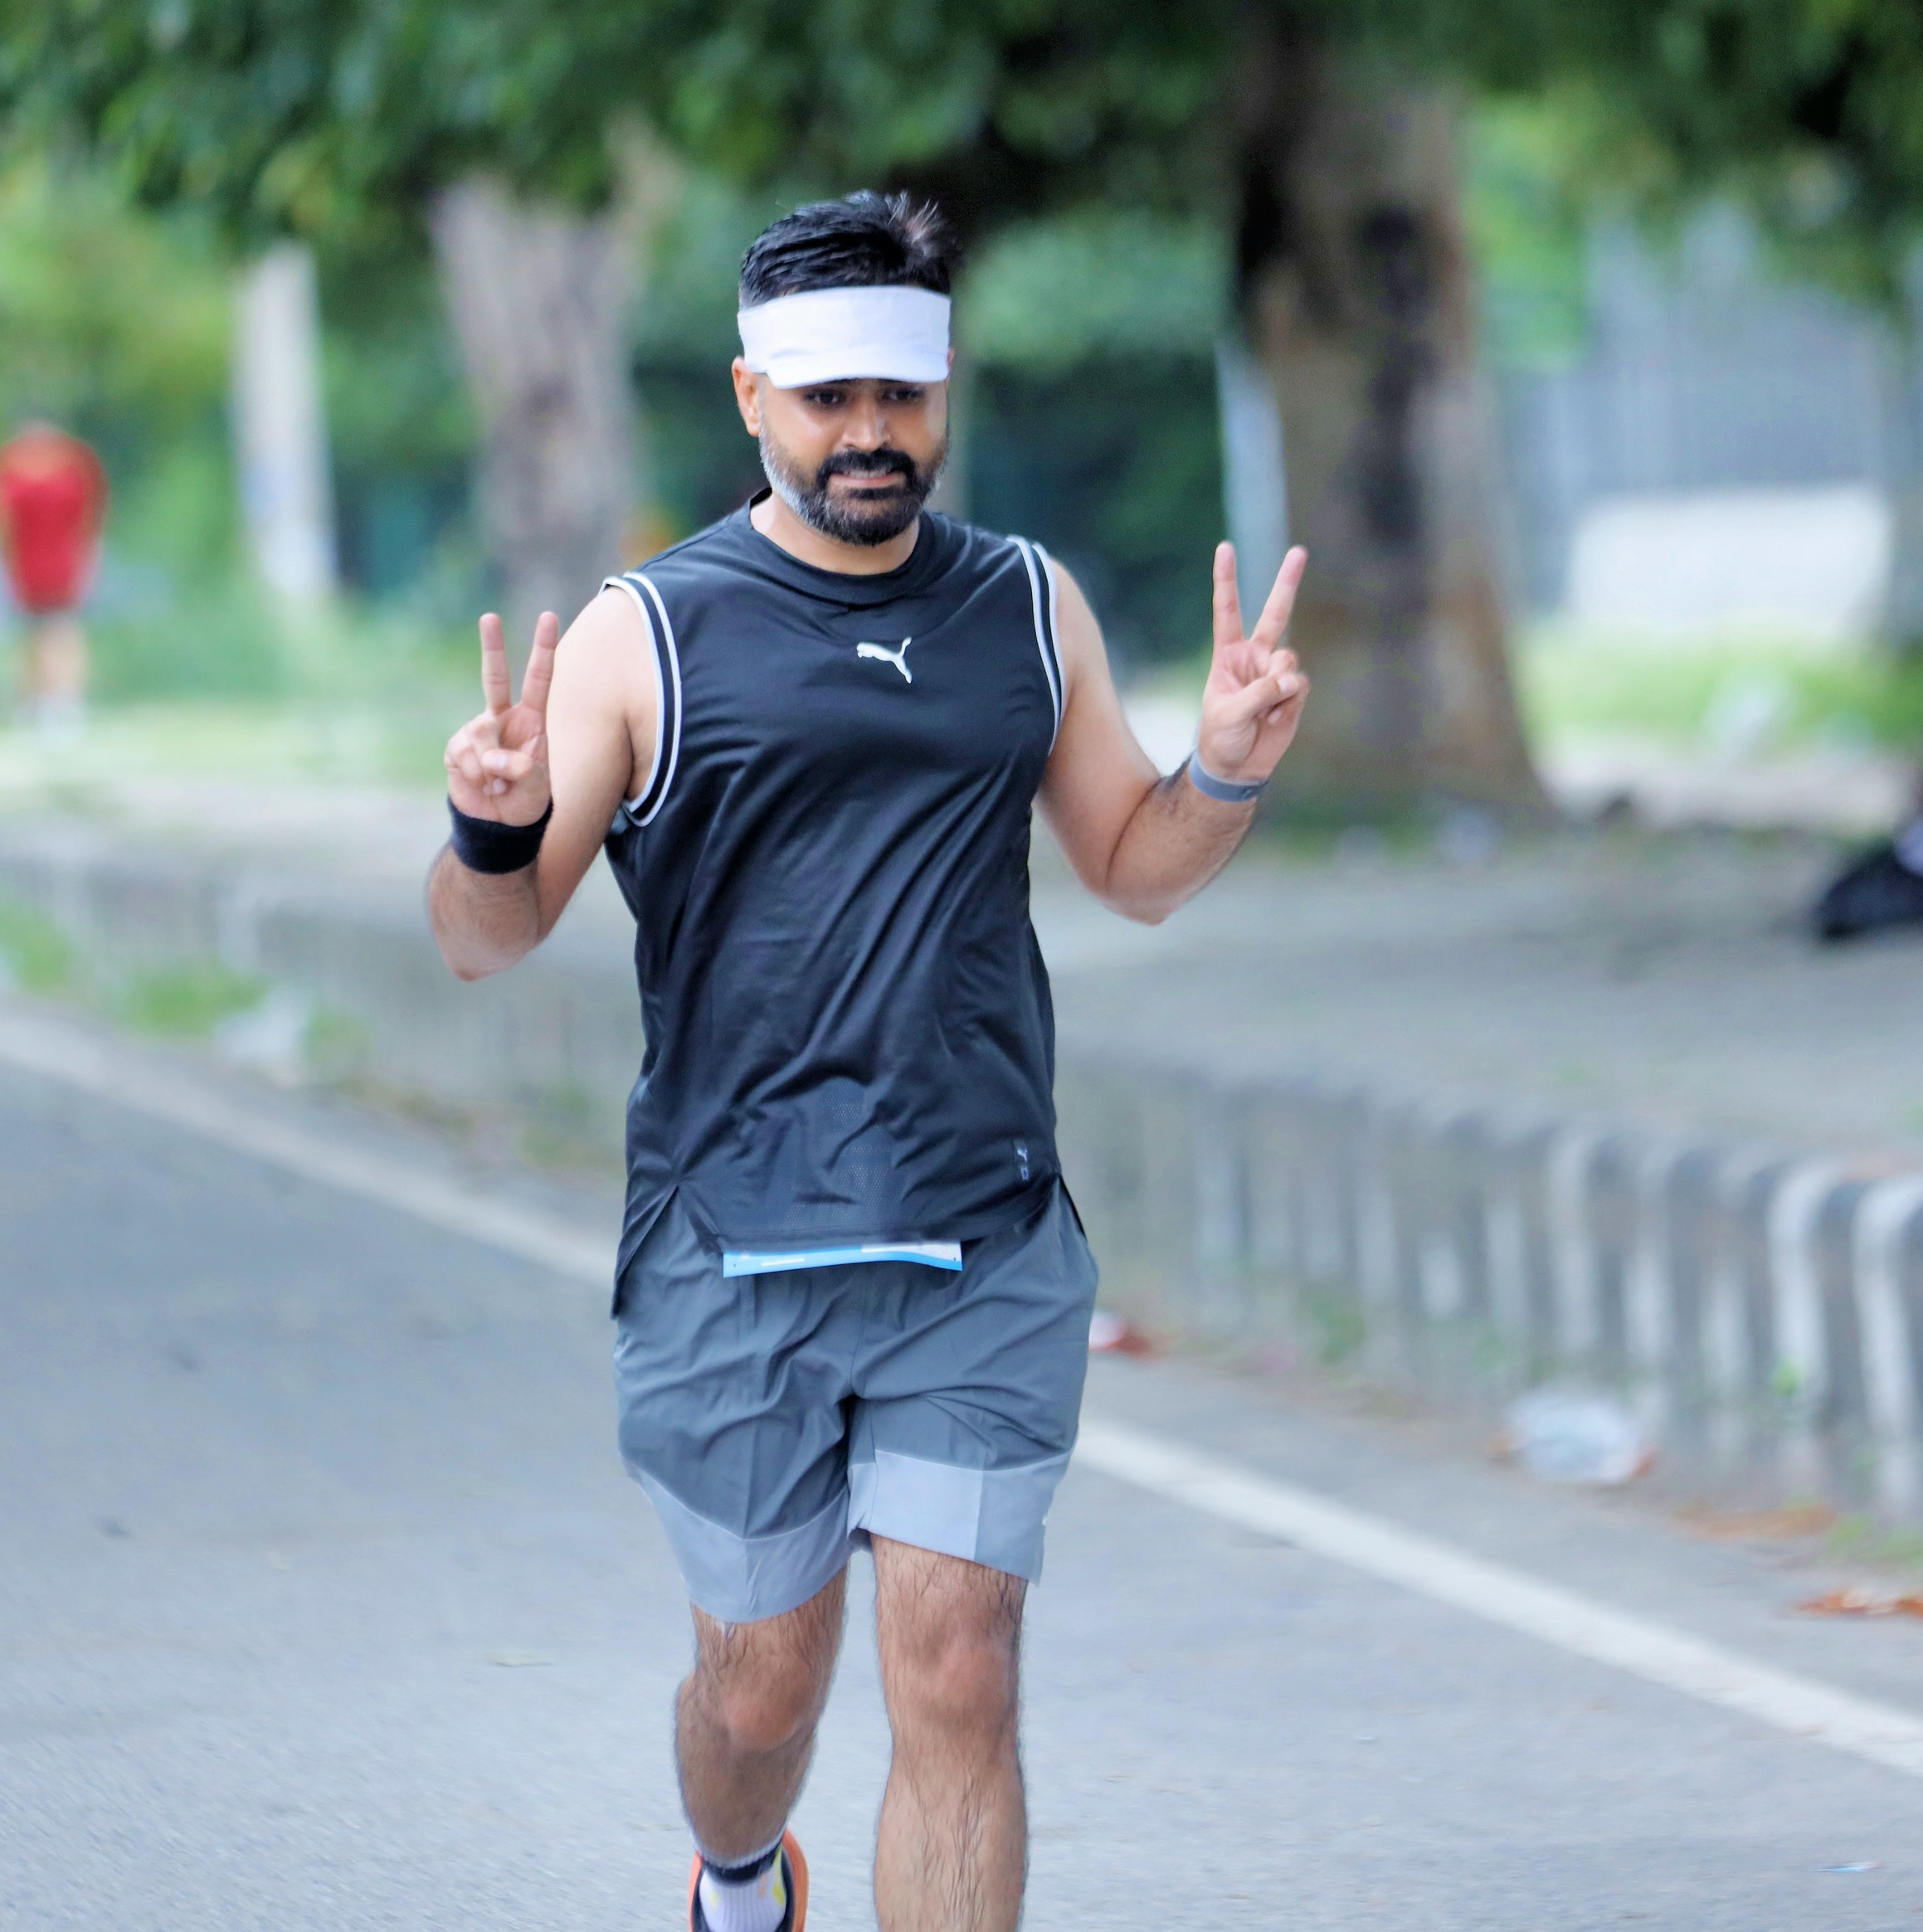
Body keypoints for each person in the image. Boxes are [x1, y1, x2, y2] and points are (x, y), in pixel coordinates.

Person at [424, 192, 1310, 1932]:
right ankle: (738, 1872)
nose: (868, 433)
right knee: (758, 1691)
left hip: (978, 1228)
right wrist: (487, 824)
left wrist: (1219, 768)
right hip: (728, 1242)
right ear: (751, 395)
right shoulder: (644, 633)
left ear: (941, 391)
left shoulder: (1021, 604)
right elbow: (483, 937)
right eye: (828, 398)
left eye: (899, 396)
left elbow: (1131, 869)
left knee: (959, 1662)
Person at [0, 423, 108, 730]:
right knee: (53, 633)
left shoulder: (10, 467)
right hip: (43, 565)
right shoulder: (74, 465)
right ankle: (51, 700)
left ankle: (56, 700)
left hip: (42, 566)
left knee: (51, 632)